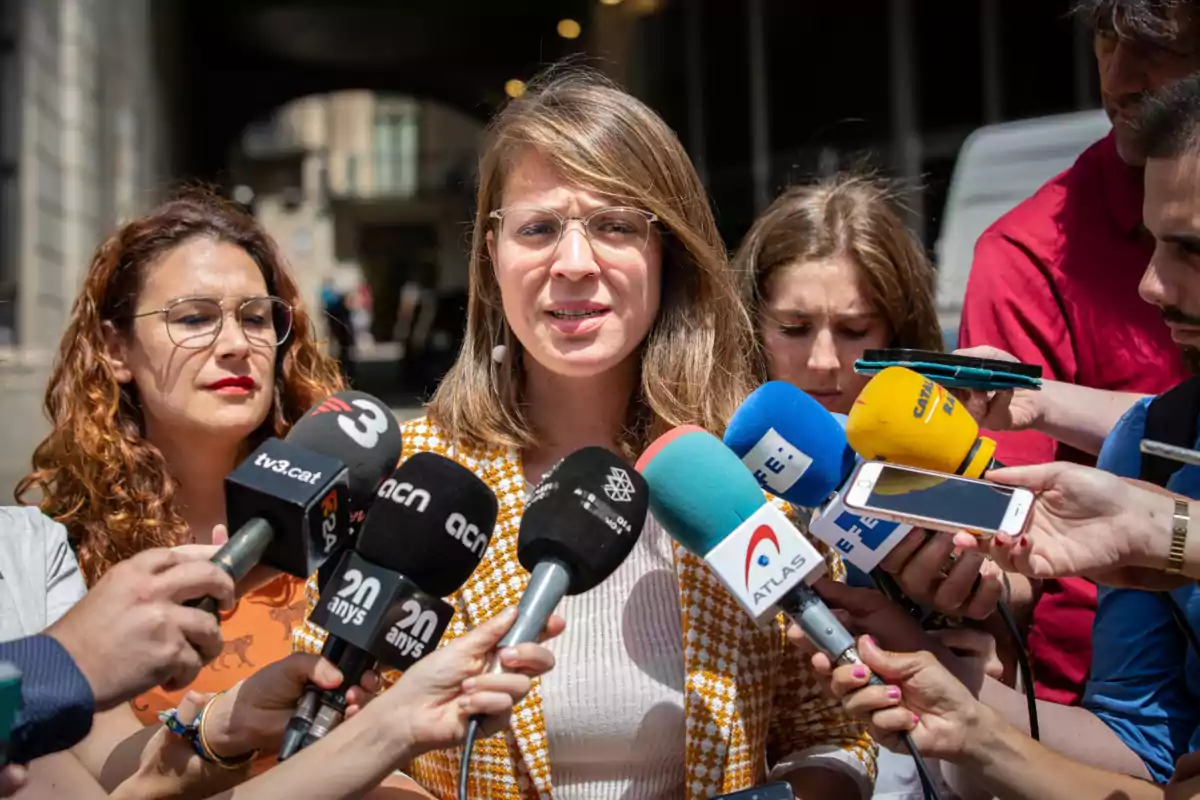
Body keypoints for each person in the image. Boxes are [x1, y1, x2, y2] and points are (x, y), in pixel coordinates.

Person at [295, 68, 877, 799]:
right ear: (492, 256)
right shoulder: (414, 479)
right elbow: (324, 718)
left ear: (669, 254)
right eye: (539, 228)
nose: (574, 264)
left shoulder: (740, 482)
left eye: (615, 225)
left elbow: (833, 731)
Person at [15, 188, 345, 786]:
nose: (235, 344)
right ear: (116, 351)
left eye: (255, 317)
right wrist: (229, 725)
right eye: (193, 318)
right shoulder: (57, 557)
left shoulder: (345, 527)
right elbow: (111, 772)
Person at [956, 0, 1200, 706]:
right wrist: (960, 695)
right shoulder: (1023, 254)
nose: (1120, 77)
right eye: (1104, 38)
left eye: (1160, 44)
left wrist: (1165, 528)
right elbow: (1000, 527)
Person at [734, 175, 1005, 798]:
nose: (825, 361)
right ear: (749, 324)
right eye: (794, 328)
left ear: (896, 330)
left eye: (855, 330)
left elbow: (1014, 577)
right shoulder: (723, 459)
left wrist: (991, 595)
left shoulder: (939, 438)